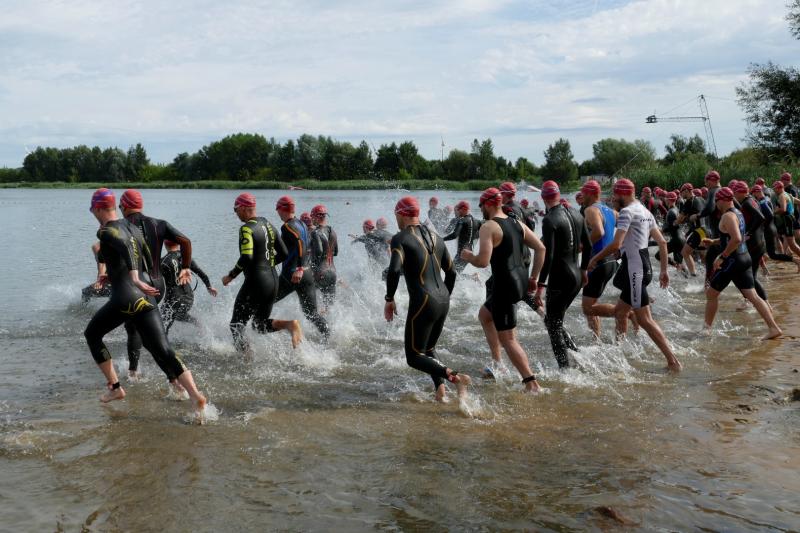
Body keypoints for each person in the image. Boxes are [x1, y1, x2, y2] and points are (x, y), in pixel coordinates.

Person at [83, 189, 207, 418]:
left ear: (99, 208)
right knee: (163, 349)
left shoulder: (106, 231)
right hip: (146, 295)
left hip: (126, 297)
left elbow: (127, 249)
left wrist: (133, 277)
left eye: (92, 210)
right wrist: (118, 275)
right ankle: (194, 394)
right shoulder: (131, 227)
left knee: (92, 334)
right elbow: (142, 253)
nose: (92, 213)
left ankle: (115, 388)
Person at [587, 179, 682, 372]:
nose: (613, 199)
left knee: (645, 319)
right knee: (621, 312)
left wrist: (594, 259)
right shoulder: (645, 211)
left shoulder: (627, 212)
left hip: (635, 271)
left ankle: (673, 361)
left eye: (615, 195)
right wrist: (664, 271)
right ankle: (619, 351)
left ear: (623, 194)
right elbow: (662, 242)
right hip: (643, 266)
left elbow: (615, 243)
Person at [384, 196, 471, 402]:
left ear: (402, 214)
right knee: (429, 349)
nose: (396, 219)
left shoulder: (400, 238)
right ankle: (441, 392)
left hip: (424, 300)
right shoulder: (436, 237)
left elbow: (394, 270)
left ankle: (456, 378)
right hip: (443, 299)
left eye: (396, 215)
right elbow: (452, 273)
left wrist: (389, 298)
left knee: (414, 356)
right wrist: (444, 298)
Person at [461, 188, 546, 392]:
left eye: (481, 206)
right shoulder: (516, 223)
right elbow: (541, 248)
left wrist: (469, 256)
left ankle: (532, 384)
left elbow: (482, 261)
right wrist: (534, 278)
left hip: (504, 286)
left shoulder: (489, 226)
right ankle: (498, 363)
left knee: (508, 339)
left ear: (488, 204)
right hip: (520, 282)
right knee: (485, 315)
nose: (480, 210)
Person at [119, 189, 194, 378]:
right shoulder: (159, 224)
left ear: (125, 206)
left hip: (137, 285)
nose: (120, 209)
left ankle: (134, 372)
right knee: (149, 329)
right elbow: (185, 241)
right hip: (158, 285)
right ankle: (175, 373)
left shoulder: (121, 226)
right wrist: (185, 267)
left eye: (120, 206)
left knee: (134, 329)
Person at [221, 193, 302, 353]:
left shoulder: (246, 229)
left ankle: (246, 359)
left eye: (236, 209)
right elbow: (284, 253)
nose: (236, 213)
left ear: (244, 208)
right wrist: (266, 264)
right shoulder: (267, 223)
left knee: (236, 325)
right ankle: (289, 324)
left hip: (256, 283)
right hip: (273, 282)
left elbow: (247, 257)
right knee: (259, 324)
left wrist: (230, 276)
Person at [702, 187, 782, 339]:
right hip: (744, 258)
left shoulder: (727, 216)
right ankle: (774, 328)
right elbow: (735, 236)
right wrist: (714, 241)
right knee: (753, 296)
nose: (716, 204)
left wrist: (722, 257)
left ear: (722, 200)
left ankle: (706, 330)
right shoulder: (738, 213)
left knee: (711, 294)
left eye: (717, 201)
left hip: (732, 261)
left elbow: (737, 239)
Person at [534, 181, 591, 368]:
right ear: (558, 195)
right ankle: (578, 356)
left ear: (543, 198)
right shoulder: (576, 213)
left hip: (560, 279)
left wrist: (540, 285)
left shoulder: (549, 219)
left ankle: (565, 371)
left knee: (553, 326)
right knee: (556, 322)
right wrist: (584, 270)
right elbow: (588, 245)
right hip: (576, 276)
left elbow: (548, 255)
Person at [274, 195, 330, 340]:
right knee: (312, 314)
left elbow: (299, 244)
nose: (277, 212)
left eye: (277, 209)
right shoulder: (302, 224)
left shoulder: (287, 226)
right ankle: (328, 338)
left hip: (292, 275)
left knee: (265, 302)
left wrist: (298, 268)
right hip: (307, 274)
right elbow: (292, 250)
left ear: (282, 209)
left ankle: (282, 327)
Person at [579, 180, 620, 339]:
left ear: (590, 194)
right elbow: (625, 230)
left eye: (583, 193)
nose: (581, 196)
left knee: (587, 308)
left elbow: (599, 232)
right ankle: (596, 340)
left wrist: (581, 247)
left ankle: (625, 313)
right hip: (610, 262)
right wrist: (620, 248)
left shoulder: (591, 210)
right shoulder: (612, 211)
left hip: (598, 262)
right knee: (592, 305)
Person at [160, 240, 218, 334]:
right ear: (178, 243)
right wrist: (209, 287)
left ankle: (161, 341)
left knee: (162, 324)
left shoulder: (163, 261)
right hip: (188, 298)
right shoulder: (186, 257)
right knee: (177, 314)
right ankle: (197, 323)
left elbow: (155, 281)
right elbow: (202, 274)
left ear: (164, 244)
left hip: (173, 299)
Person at [731, 181, 768, 302]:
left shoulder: (747, 203)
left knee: (748, 276)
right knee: (752, 275)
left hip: (754, 244)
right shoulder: (752, 200)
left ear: (741, 192)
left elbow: (761, 218)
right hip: (760, 242)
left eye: (735, 192)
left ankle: (763, 301)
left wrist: (749, 233)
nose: (734, 195)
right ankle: (752, 300)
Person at [309, 204, 338, 311]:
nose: (311, 219)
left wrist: (314, 268)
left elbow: (319, 251)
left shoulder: (315, 232)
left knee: (306, 300)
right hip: (332, 272)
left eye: (312, 217)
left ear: (316, 216)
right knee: (329, 306)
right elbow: (336, 252)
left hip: (320, 272)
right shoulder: (332, 231)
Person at [442, 200, 482, 273]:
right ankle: (473, 277)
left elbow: (455, 235)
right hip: (470, 253)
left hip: (462, 253)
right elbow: (481, 234)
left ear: (463, 209)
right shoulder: (478, 221)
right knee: (456, 273)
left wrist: (442, 239)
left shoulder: (462, 220)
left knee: (452, 273)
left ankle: (472, 278)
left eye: (458, 210)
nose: (457, 212)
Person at [677, 182, 705, 276]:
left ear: (686, 191)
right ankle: (708, 274)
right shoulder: (701, 199)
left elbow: (680, 219)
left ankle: (693, 275)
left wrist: (674, 222)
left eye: (681, 192)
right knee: (703, 255)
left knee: (685, 252)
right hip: (706, 230)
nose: (681, 194)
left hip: (699, 231)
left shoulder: (689, 202)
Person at [661, 192, 685, 273]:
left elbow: (670, 228)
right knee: (680, 264)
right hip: (681, 238)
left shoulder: (670, 212)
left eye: (666, 199)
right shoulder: (677, 209)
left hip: (676, 240)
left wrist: (660, 230)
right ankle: (687, 277)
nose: (665, 201)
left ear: (668, 200)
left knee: (659, 255)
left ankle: (677, 267)